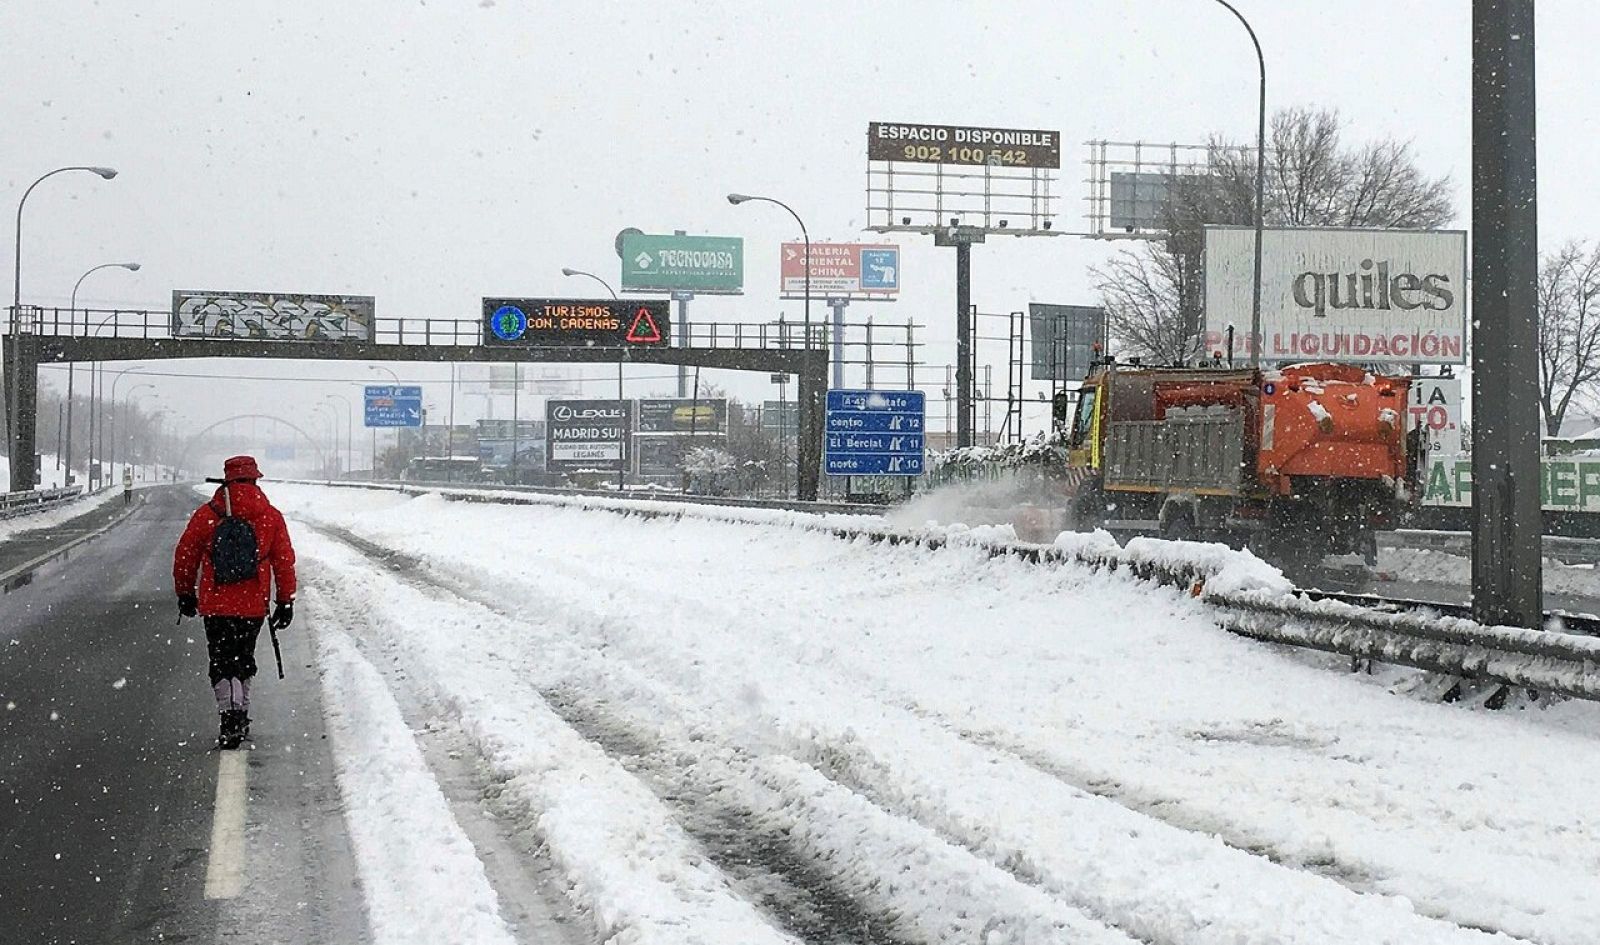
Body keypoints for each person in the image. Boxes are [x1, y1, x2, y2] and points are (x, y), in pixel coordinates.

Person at [173, 455, 296, 749]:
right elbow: (284, 559)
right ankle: (241, 713)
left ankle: (227, 716)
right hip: (253, 604)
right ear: (255, 479)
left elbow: (186, 555)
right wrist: (285, 600)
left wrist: (186, 593)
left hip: (216, 604)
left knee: (220, 660)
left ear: (226, 479)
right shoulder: (270, 516)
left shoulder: (208, 514)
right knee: (244, 659)